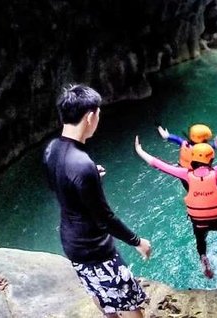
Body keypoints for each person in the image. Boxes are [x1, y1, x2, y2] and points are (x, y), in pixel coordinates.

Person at [44, 84, 151, 318]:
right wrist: (137, 241)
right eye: (99, 114)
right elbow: (104, 218)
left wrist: (91, 180)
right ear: (90, 116)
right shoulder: (82, 164)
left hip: (71, 243)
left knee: (98, 292)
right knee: (131, 303)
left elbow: (58, 184)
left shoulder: (52, 149)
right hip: (95, 247)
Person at [135, 121, 217, 279]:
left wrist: (140, 150)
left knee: (200, 238)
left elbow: (158, 164)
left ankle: (204, 258)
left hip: (199, 222)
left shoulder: (185, 174)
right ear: (211, 159)